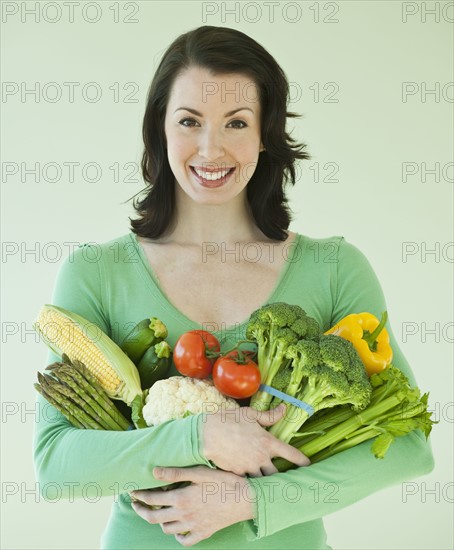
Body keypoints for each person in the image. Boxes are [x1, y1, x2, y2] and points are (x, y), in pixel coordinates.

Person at [33, 25, 435, 550]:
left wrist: (254, 503)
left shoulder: (334, 268)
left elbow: (409, 444)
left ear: (265, 133)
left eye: (236, 123)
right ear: (160, 128)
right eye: (189, 121)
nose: (210, 148)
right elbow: (55, 465)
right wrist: (204, 438)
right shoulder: (97, 272)